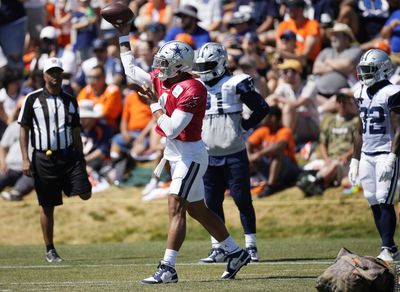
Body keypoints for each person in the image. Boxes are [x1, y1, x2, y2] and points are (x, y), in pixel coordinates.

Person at [115, 21, 250, 284]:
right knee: (198, 210)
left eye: (164, 64)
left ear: (180, 67)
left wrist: (153, 105)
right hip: (175, 153)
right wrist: (123, 35)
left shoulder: (193, 88)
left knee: (175, 204)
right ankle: (235, 252)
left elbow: (173, 128)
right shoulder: (161, 78)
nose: (158, 68)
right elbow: (131, 70)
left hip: (191, 154)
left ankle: (168, 268)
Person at [193, 42, 269, 263]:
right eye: (201, 65)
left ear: (219, 63)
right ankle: (219, 247)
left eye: (207, 64)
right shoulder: (197, 85)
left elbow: (262, 107)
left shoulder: (235, 83)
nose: (203, 69)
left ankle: (251, 246)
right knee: (211, 203)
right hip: (207, 154)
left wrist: (244, 127)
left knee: (242, 199)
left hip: (234, 152)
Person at [18, 57, 92, 263]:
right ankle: (50, 248)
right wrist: (25, 158)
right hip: (43, 158)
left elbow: (76, 130)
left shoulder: (70, 100)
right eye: (51, 72)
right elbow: (23, 129)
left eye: (58, 71)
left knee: (85, 193)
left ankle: (66, 186)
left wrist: (81, 157)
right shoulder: (32, 100)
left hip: (69, 156)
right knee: (47, 206)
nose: (55, 76)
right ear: (44, 75)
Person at [348, 49, 400, 262]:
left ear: (382, 70)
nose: (364, 74)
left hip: (385, 152)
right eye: (363, 70)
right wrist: (354, 159)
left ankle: (387, 247)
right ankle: (390, 247)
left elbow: (399, 128)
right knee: (372, 199)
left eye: (369, 70)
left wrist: (392, 156)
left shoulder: (392, 92)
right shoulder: (359, 92)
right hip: (367, 153)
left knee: (384, 198)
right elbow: (359, 129)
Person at [247, 106, 299, 197]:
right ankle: (239, 183)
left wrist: (258, 154)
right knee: (244, 153)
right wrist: (250, 156)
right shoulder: (263, 130)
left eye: (265, 116)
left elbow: (280, 147)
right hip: (269, 167)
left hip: (288, 169)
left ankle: (271, 186)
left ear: (273, 118)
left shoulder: (285, 131)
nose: (262, 118)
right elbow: (248, 144)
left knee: (277, 153)